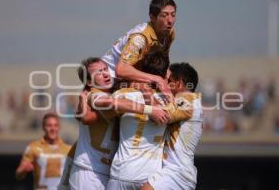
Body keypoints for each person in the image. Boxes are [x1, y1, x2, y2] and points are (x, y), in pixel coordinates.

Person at [69, 57, 169, 190]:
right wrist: (150, 110)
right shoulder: (93, 94)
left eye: (105, 69)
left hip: (109, 172)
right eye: (98, 73)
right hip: (88, 170)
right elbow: (98, 111)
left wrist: (141, 85)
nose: (105, 73)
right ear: (89, 82)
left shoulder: (116, 90)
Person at [142, 62, 203, 190]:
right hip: (174, 170)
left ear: (179, 83)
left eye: (169, 81)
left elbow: (162, 115)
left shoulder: (189, 99)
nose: (165, 84)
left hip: (179, 172)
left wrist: (146, 91)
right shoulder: (184, 100)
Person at [101, 0, 177, 96]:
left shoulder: (169, 33)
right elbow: (121, 70)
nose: (170, 21)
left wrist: (165, 77)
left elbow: (163, 61)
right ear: (152, 18)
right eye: (164, 15)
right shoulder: (140, 38)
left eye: (173, 15)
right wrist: (158, 79)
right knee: (146, 90)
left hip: (130, 74)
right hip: (109, 76)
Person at [16, 112, 71, 190]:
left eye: (55, 125)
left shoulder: (68, 149)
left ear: (59, 127)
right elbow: (18, 175)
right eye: (49, 125)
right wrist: (23, 170)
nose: (52, 129)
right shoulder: (33, 147)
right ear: (43, 127)